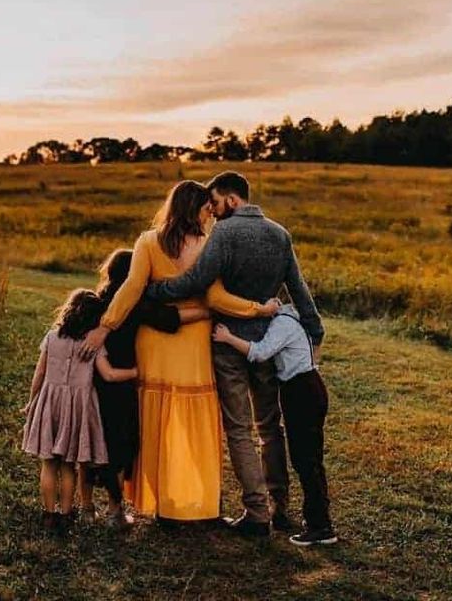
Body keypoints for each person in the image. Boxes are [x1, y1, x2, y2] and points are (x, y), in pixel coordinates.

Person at [79, 181, 279, 522]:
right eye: (206, 209)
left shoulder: (147, 241)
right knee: (194, 425)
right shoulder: (208, 246)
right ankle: (199, 504)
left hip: (154, 344)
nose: (210, 216)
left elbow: (131, 289)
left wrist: (105, 326)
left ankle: (164, 505)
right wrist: (258, 308)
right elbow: (215, 300)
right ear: (194, 209)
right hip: (195, 345)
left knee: (158, 426)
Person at [145, 171, 325, 537]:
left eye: (214, 202)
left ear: (231, 200)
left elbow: (197, 282)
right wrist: (314, 328)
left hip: (228, 343)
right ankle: (280, 508)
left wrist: (157, 290)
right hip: (266, 344)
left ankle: (257, 513)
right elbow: (298, 288)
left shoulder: (224, 233)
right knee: (271, 428)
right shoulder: (280, 234)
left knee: (240, 430)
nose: (211, 209)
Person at [83, 248, 211, 528]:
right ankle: (115, 511)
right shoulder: (132, 302)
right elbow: (169, 319)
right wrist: (204, 311)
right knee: (120, 445)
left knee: (93, 442)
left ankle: (87, 506)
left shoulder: (96, 301)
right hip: (121, 383)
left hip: (90, 383)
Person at [213, 303, 337, 546]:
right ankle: (318, 521)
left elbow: (259, 352)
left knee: (306, 460)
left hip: (301, 390)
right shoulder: (292, 317)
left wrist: (227, 337)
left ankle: (321, 527)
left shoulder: (281, 324)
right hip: (306, 387)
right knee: (309, 459)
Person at [21, 288, 135, 531]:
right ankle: (66, 513)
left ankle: (49, 514)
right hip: (77, 410)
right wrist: (138, 372)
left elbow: (39, 374)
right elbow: (109, 374)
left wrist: (32, 402)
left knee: (49, 463)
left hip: (50, 403)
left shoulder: (52, 337)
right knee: (68, 465)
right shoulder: (93, 345)